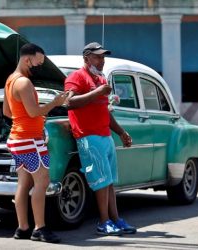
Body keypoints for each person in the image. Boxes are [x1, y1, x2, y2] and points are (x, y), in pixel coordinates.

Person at [64, 42, 137, 236]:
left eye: (103, 57)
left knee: (110, 181)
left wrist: (121, 132)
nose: (102, 61)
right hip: (88, 136)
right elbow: (68, 102)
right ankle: (103, 222)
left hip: (105, 135)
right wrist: (97, 92)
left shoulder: (101, 79)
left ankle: (116, 219)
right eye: (97, 57)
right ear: (86, 58)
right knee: (101, 181)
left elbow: (104, 111)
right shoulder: (76, 77)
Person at [3, 43, 67, 243]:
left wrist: (34, 119)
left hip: (17, 138)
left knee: (23, 183)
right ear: (27, 59)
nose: (38, 67)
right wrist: (54, 103)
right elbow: (33, 111)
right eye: (37, 63)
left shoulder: (10, 81)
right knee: (42, 181)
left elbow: (7, 112)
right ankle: (40, 228)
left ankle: (22, 228)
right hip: (29, 139)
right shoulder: (24, 83)